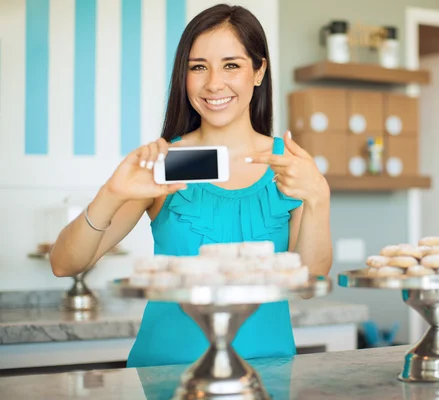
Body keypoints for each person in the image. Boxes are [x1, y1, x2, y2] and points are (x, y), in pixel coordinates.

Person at [50, 3, 332, 368]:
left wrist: (318, 197)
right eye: (198, 67)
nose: (214, 83)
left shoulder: (289, 165)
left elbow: (310, 283)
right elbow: (64, 264)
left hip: (268, 373)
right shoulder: (163, 163)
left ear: (259, 71)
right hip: (167, 374)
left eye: (232, 65)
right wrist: (112, 192)